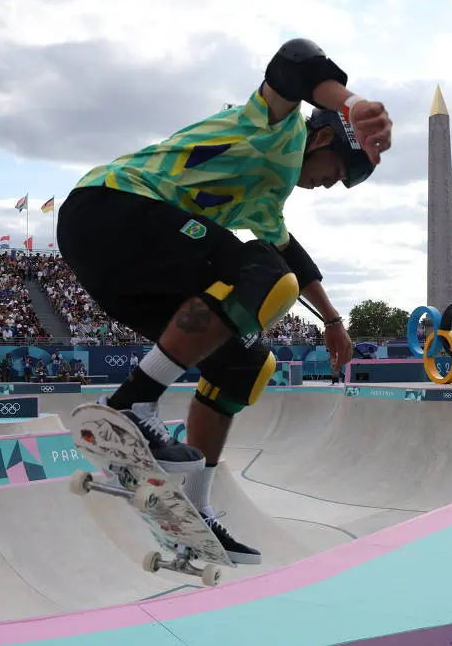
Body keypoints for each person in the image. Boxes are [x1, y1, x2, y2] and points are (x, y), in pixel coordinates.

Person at [57, 38, 393, 565]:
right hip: (112, 206)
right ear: (324, 135)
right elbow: (294, 60)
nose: (330, 186)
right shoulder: (277, 128)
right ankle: (131, 402)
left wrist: (332, 319)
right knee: (261, 276)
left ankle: (194, 509)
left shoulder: (267, 196)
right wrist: (353, 102)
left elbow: (293, 257)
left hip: (121, 262)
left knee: (246, 360)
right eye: (338, 173)